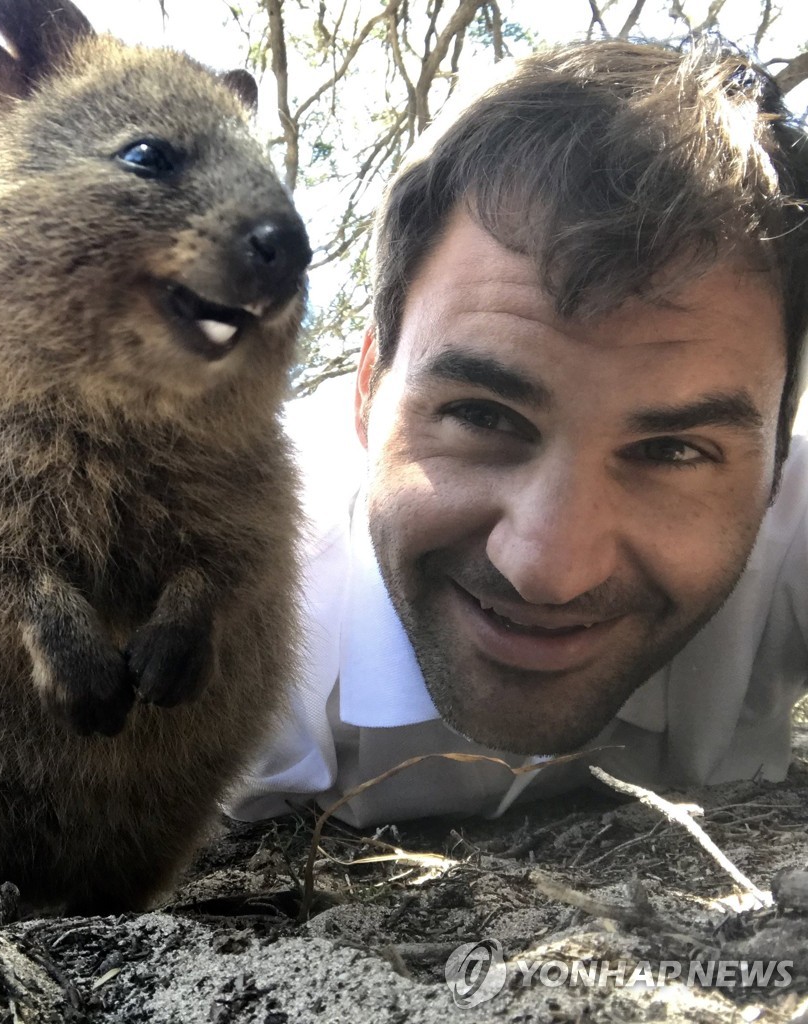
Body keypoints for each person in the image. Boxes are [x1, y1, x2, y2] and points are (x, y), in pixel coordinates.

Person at [232, 37, 808, 827]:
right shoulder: (219, 602)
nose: (549, 570)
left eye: (673, 450)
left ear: (781, 459)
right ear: (366, 392)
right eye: (481, 415)